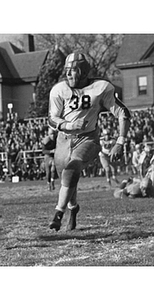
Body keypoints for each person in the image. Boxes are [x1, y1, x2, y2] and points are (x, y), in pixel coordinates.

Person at [48, 52, 131, 231]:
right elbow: (52, 118)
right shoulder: (59, 89)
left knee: (71, 171)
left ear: (84, 72)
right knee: (67, 179)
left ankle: (58, 213)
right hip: (64, 139)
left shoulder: (101, 87)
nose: (69, 75)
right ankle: (73, 207)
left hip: (88, 138)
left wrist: (120, 141)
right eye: (67, 71)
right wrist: (69, 125)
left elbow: (123, 113)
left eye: (74, 71)